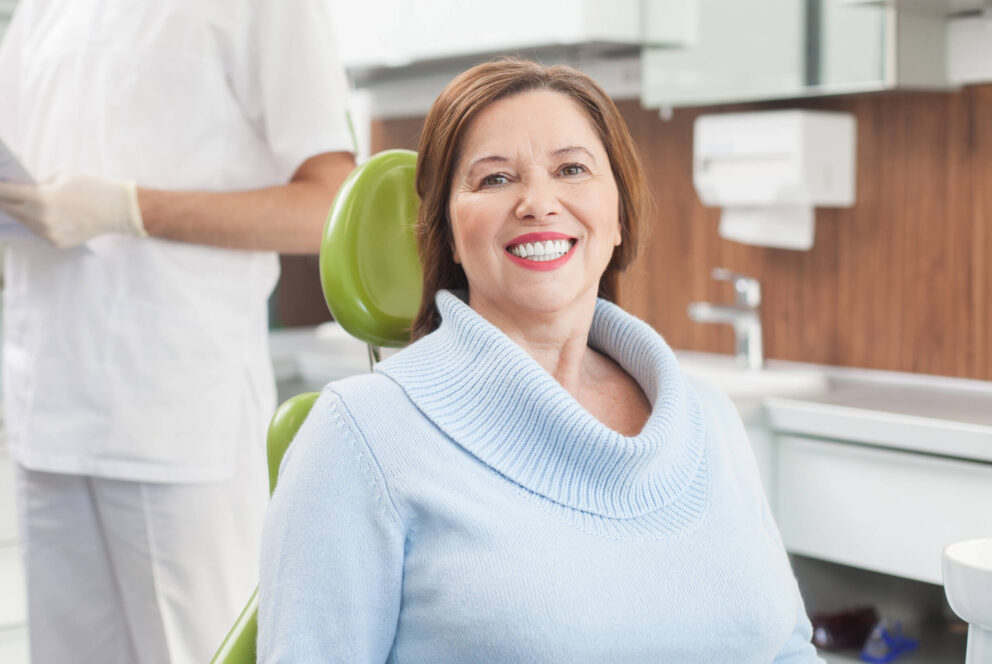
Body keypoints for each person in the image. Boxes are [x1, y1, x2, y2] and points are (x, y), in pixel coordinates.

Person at [258, 59, 823, 663]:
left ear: (619, 216)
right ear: (447, 231)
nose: (538, 202)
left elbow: (788, 650)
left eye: (572, 169)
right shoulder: (359, 437)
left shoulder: (710, 420)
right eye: (495, 179)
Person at [0, 1, 356, 662]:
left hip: (177, 422)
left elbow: (326, 203)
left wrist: (131, 209)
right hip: (48, 410)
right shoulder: (45, 10)